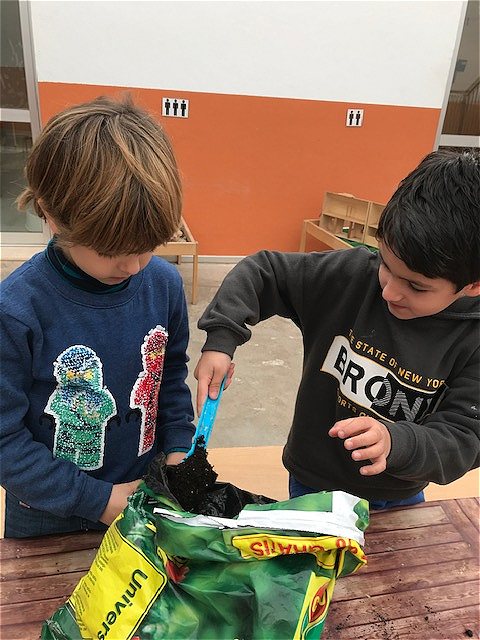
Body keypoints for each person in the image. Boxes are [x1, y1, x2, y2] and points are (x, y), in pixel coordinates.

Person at [194, 149, 480, 510]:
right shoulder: (348, 277)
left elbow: (465, 436)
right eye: (386, 264)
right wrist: (221, 339)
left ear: (473, 285)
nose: (389, 291)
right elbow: (263, 272)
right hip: (313, 482)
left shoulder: (472, 338)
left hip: (396, 495)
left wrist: (398, 443)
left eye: (416, 286)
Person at [0, 96, 195, 537]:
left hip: (146, 495)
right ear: (51, 214)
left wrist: (180, 451)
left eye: (150, 246)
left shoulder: (164, 285)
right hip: (49, 516)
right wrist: (100, 501)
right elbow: (4, 440)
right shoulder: (16, 311)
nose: (134, 266)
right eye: (112, 250)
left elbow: (169, 378)